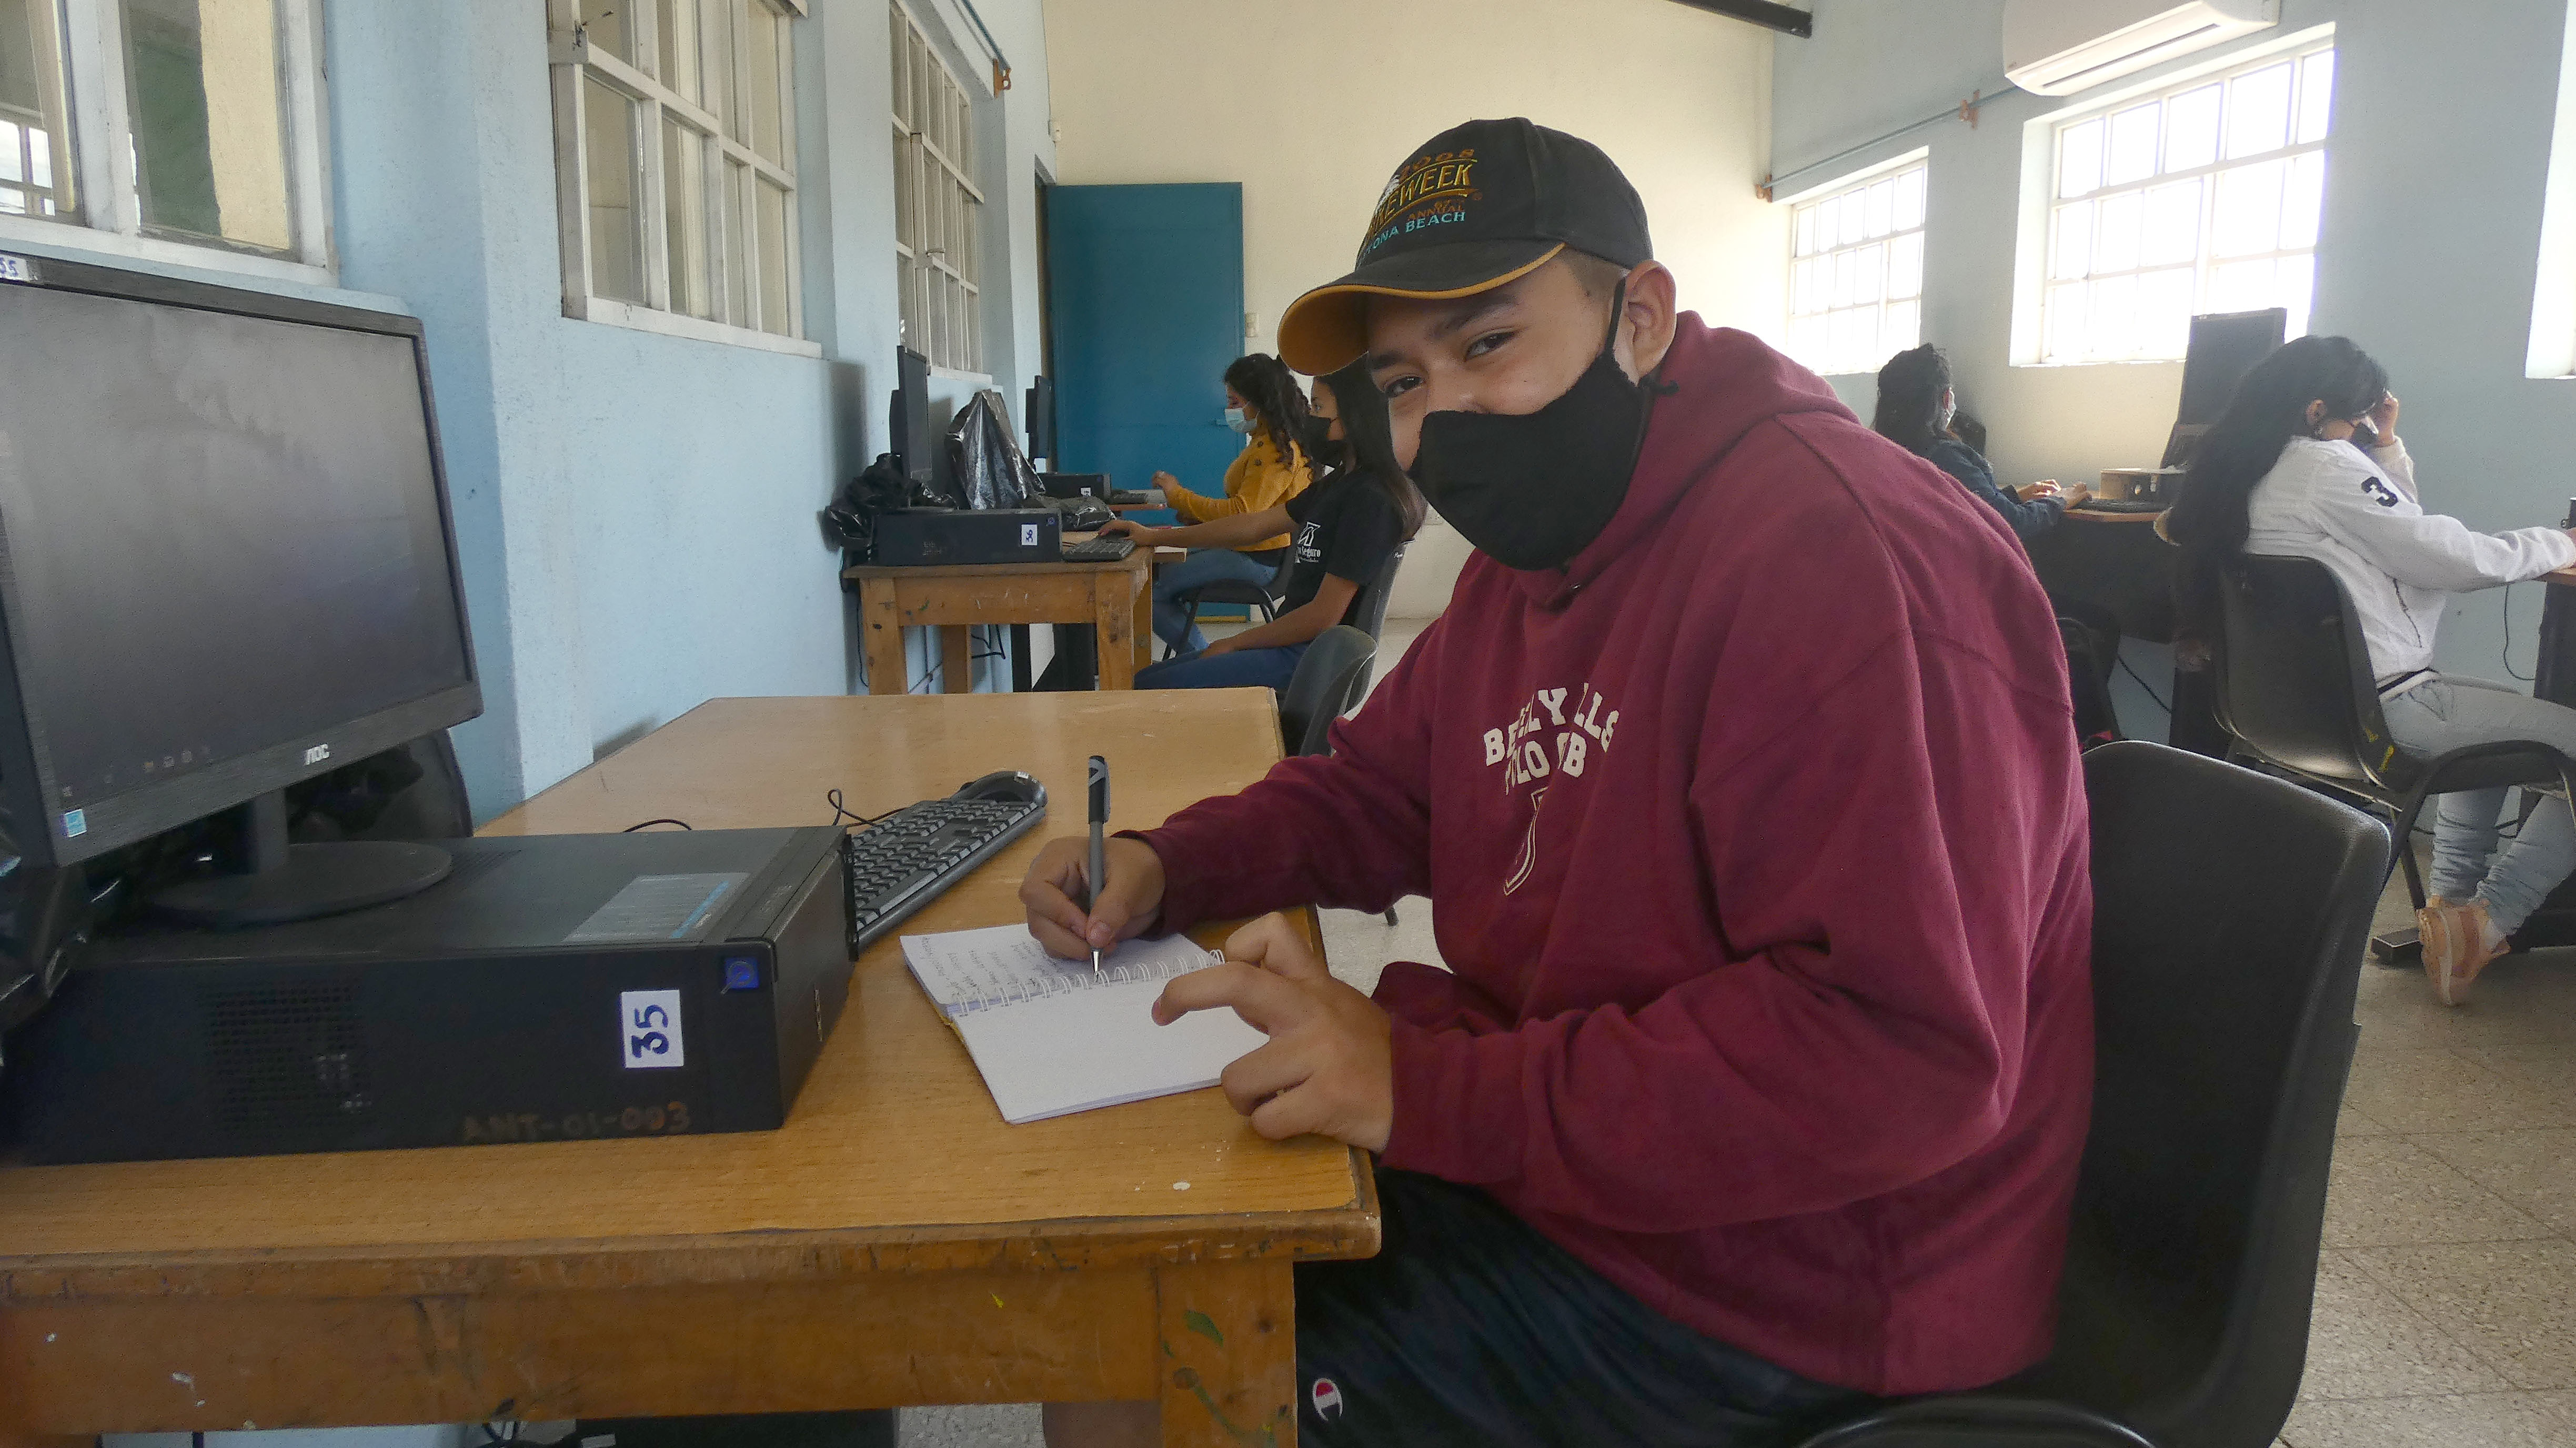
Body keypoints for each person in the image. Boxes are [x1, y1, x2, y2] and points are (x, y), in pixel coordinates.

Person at [1022, 118, 2094, 1448]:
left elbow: (1898, 1059)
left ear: (1638, 315)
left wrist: (1430, 1095)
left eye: (1488, 344)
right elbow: (1383, 791)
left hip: (1788, 1284)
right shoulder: (1543, 551)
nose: (1444, 418)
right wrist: (1169, 862)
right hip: (1586, 1174)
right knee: (1139, 1252)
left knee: (1158, 1359)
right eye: (1403, 382)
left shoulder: (1837, 557)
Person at [2166, 335, 2576, 1005]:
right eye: (2355, 419)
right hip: (2393, 709)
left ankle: (2446, 915)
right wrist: (2559, 542)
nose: (2357, 430)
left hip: (2297, 717)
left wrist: (2386, 447)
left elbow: (2397, 529)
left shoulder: (2249, 470)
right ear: (2318, 407)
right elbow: (2446, 558)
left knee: (2495, 738)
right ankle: (2491, 920)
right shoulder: (2322, 467)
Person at [1109, 361, 1424, 692]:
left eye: (1318, 407)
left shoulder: (1370, 500)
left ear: (1354, 415)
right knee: (1145, 681)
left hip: (1308, 660)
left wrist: (1237, 642)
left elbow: (1323, 616)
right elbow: (1252, 526)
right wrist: (1154, 537)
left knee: (1146, 690)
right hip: (1295, 648)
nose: (1309, 417)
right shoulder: (1340, 484)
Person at [1144, 353, 1316, 656]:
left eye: (1235, 402)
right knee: (1156, 572)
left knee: (1148, 588)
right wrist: (1200, 522)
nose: (1229, 410)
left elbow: (1243, 513)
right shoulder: (1266, 441)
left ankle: (1203, 665)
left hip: (1259, 560)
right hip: (1250, 550)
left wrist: (1177, 494)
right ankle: (1200, 661)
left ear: (1259, 402)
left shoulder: (1275, 449)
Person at [1873, 343, 2091, 542]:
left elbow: (1958, 507)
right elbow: (2012, 524)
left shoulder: (1882, 453)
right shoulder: (1945, 456)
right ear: (1945, 398)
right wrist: (2062, 499)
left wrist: (2011, 497)